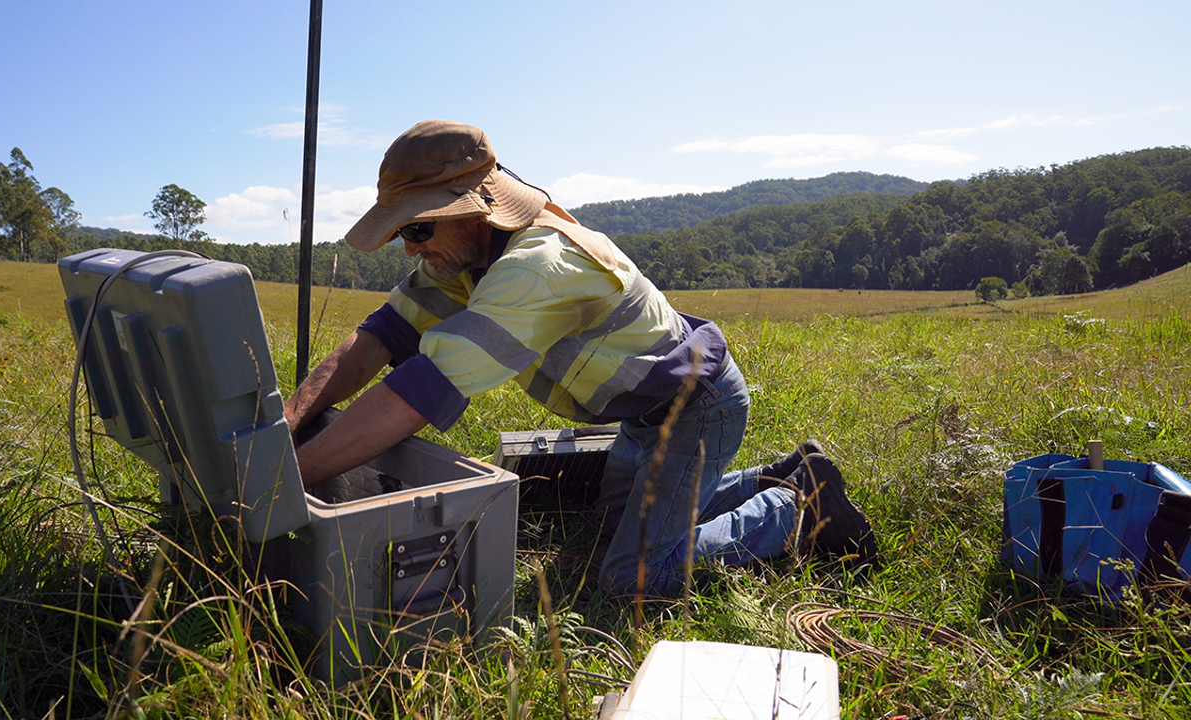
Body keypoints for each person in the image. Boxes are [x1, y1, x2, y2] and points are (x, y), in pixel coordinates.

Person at [283, 120, 876, 598]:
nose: (410, 248)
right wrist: (287, 423)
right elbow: (378, 339)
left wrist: (284, 484)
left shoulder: (536, 269)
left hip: (696, 407)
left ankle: (797, 504)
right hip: (648, 413)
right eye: (401, 235)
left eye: (417, 228)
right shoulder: (460, 260)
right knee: (620, 528)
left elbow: (421, 389)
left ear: (477, 208)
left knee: (636, 575)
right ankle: (790, 473)